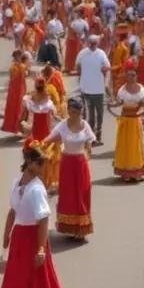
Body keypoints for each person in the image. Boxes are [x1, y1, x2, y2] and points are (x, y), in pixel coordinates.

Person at [0, 145, 71, 288]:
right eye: (39, 162)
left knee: (35, 281)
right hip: (20, 236)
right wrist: (7, 235)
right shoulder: (17, 182)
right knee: (18, 280)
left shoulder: (37, 189)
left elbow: (43, 220)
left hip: (33, 238)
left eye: (43, 163)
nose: (43, 166)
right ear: (29, 162)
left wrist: (41, 249)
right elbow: (12, 211)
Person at [45, 97, 96, 240]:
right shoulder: (62, 125)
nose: (73, 115)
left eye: (77, 112)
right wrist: (41, 144)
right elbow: (51, 137)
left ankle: (81, 228)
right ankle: (69, 227)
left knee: (82, 194)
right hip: (67, 163)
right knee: (68, 194)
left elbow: (90, 141)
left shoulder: (85, 125)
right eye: (71, 112)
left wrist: (89, 148)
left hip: (80, 163)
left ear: (81, 112)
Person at [109, 59, 144, 182]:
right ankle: (125, 171)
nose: (131, 77)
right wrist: (112, 105)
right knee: (124, 145)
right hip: (125, 121)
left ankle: (136, 171)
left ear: (136, 76)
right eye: (128, 75)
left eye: (133, 75)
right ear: (126, 76)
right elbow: (118, 103)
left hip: (135, 121)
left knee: (136, 145)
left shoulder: (142, 90)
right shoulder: (122, 90)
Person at [75, 35, 110, 145]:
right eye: (91, 43)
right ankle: (89, 138)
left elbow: (107, 66)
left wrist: (103, 69)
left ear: (97, 43)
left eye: (94, 43)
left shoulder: (101, 53)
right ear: (88, 43)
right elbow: (78, 66)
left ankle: (97, 137)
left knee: (98, 114)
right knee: (88, 114)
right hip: (86, 89)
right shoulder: (82, 53)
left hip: (98, 89)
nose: (92, 45)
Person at [1, 50, 28, 135]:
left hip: (22, 89)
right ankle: (14, 128)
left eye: (20, 56)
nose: (18, 57)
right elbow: (13, 77)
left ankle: (19, 128)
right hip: (14, 90)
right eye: (17, 56)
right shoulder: (14, 67)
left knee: (21, 108)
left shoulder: (22, 66)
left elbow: (25, 76)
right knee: (15, 108)